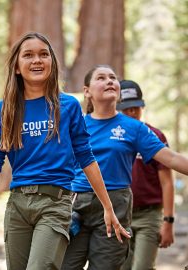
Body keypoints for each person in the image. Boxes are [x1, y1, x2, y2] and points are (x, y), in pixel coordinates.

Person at [0, 33, 130, 270]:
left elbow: (86, 157)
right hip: (17, 205)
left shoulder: (68, 106)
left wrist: (108, 207)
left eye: (44, 54)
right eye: (29, 55)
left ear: (52, 63)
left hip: (55, 204)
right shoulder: (5, 110)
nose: (37, 60)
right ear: (16, 67)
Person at [61, 64, 188, 270]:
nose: (110, 81)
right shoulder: (75, 125)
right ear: (87, 91)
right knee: (65, 265)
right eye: (101, 78)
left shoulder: (134, 127)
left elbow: (171, 158)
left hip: (116, 204)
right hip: (77, 204)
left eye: (113, 78)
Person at [117, 80, 174, 270]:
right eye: (126, 109)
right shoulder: (112, 137)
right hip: (120, 214)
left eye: (136, 107)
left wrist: (168, 221)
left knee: (142, 266)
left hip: (149, 215)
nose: (132, 112)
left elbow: (167, 182)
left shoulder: (155, 136)